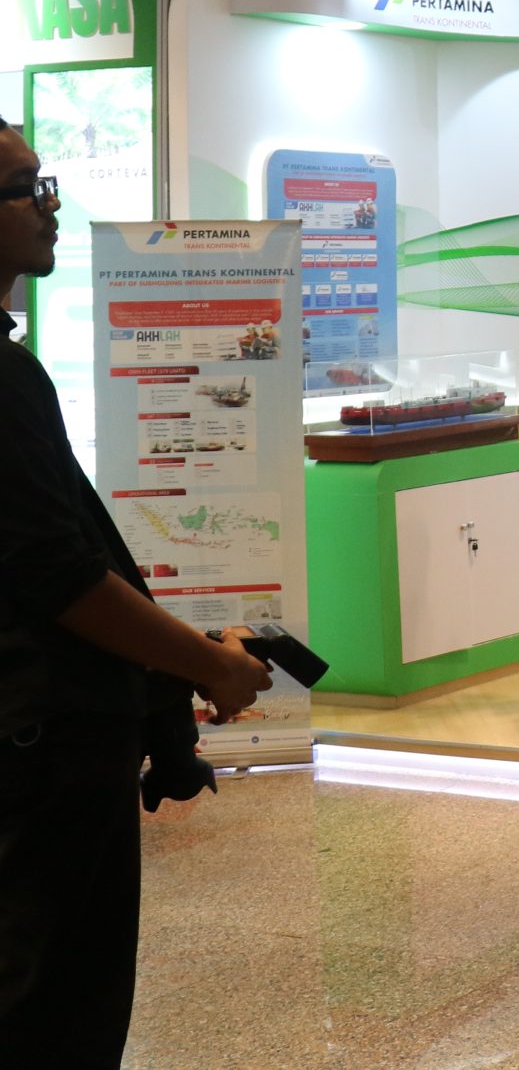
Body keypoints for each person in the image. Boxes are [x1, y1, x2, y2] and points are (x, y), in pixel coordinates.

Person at [0, 118, 273, 1067]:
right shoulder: (3, 379)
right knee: (55, 1008)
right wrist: (208, 664)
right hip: (43, 754)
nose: (50, 205)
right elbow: (61, 576)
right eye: (25, 187)